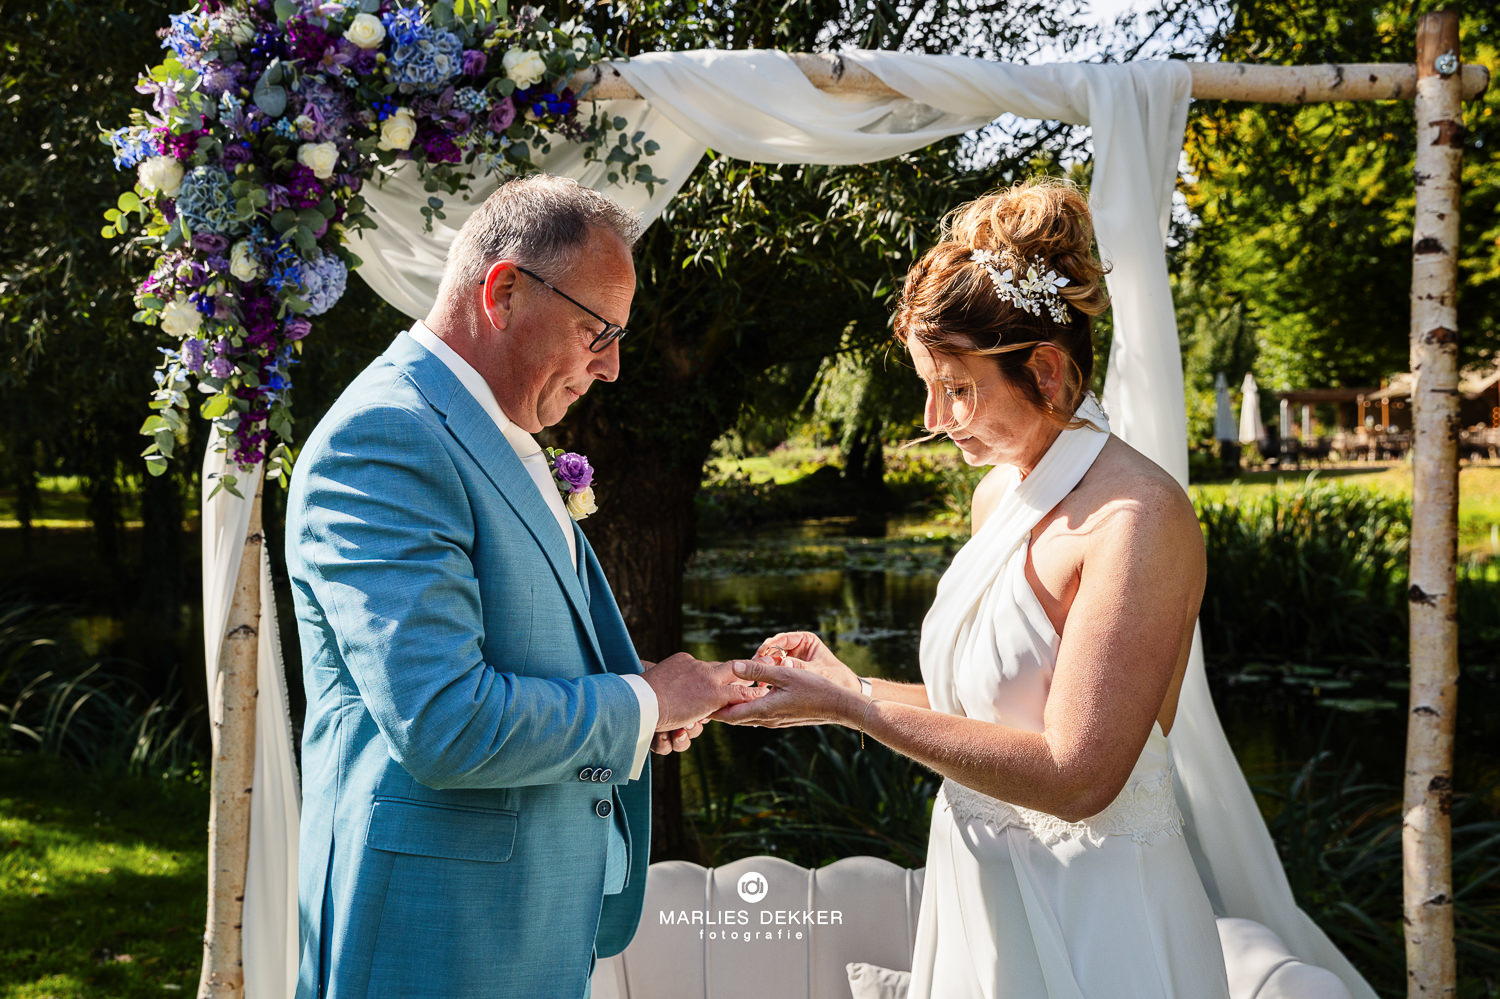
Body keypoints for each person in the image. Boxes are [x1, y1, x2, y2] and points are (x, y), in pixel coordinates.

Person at [717, 178, 1232, 998]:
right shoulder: (999, 492)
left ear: (1048, 371)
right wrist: (838, 686)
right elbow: (994, 711)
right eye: (929, 385)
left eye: (956, 386)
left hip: (1097, 915)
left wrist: (861, 711)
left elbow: (1077, 774)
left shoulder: (1138, 519)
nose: (934, 415)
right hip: (981, 887)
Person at [285, 174, 755, 998]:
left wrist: (638, 705)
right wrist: (642, 705)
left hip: (519, 922)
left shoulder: (477, 425)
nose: (610, 367)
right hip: (433, 936)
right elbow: (446, 721)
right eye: (595, 329)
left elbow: (519, 653)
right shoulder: (386, 438)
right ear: (503, 292)